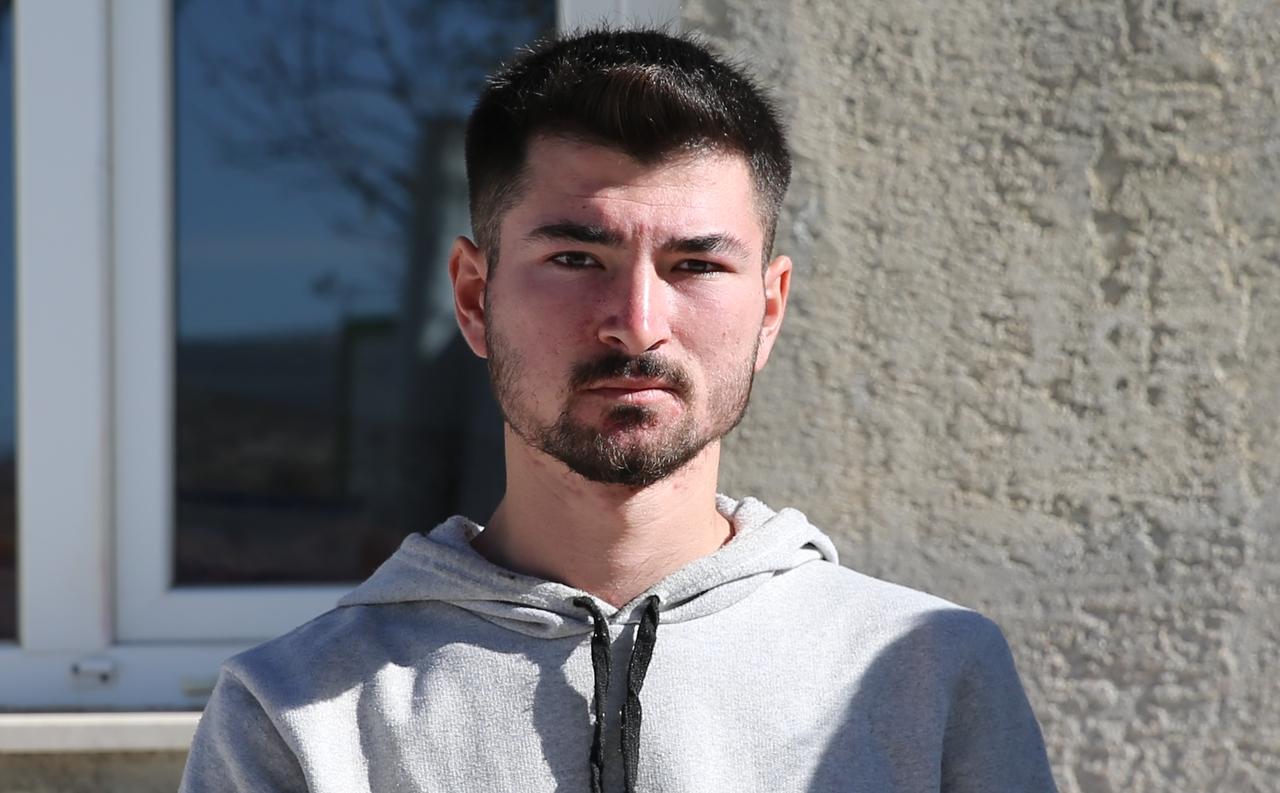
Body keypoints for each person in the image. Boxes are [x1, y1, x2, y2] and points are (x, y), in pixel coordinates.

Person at [180, 29, 1058, 793]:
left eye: (697, 266)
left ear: (769, 309)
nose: (637, 322)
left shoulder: (930, 675)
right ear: (475, 296)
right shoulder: (298, 712)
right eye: (574, 257)